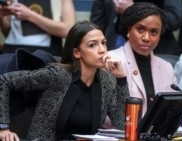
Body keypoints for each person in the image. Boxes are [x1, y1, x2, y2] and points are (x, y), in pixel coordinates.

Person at [0, 21, 129, 141]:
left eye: (104, 43)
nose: (102, 49)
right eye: (92, 45)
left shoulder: (107, 80)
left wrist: (121, 78)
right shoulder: (57, 75)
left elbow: (121, 123)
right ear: (77, 52)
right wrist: (3, 127)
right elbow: (4, 80)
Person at [109, 2, 177, 117]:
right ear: (128, 30)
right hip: (119, 133)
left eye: (153, 32)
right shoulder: (111, 60)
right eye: (140, 29)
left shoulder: (166, 68)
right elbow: (105, 114)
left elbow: (171, 110)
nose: (146, 38)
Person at [90, 0, 182, 55]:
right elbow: (97, 24)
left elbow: (174, 19)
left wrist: (133, 9)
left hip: (156, 53)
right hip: (112, 49)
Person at [0, 0, 75, 56]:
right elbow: (8, 32)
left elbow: (68, 30)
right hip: (11, 50)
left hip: (45, 53)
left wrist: (29, 15)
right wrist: (2, 17)